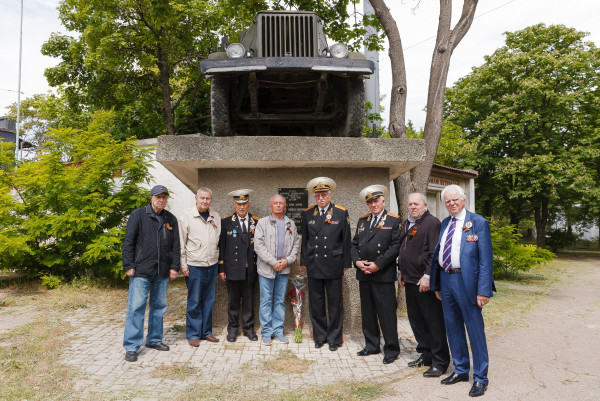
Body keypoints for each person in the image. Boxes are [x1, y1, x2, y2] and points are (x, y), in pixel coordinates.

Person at [430, 184, 495, 397]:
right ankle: (460, 370)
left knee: (475, 331)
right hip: (447, 281)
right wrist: (438, 284)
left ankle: (480, 378)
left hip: (468, 284)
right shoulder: (445, 223)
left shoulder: (478, 223)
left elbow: (486, 260)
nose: (451, 203)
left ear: (463, 200)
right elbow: (439, 254)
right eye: (447, 201)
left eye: (455, 199)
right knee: (453, 328)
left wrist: (483, 291)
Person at [122, 185, 180, 362]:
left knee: (159, 306)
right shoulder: (138, 215)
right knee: (136, 307)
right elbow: (128, 242)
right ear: (151, 198)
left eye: (164, 197)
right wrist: (129, 265)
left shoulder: (171, 219)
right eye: (158, 196)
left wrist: (174, 267)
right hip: (141, 270)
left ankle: (154, 340)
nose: (161, 200)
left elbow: (176, 246)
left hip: (162, 270)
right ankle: (132, 346)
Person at [398, 193, 450, 376]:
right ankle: (426, 354)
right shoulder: (408, 223)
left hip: (424, 281)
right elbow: (403, 249)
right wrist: (400, 271)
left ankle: (440, 361)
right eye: (410, 203)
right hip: (410, 279)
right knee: (416, 320)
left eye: (416, 204)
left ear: (425, 205)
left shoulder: (432, 223)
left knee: (433, 322)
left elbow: (434, 253)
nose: (413, 207)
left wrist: (428, 276)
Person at [351, 185, 402, 364]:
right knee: (368, 312)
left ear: (383, 201)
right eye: (370, 202)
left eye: (376, 201)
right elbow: (354, 244)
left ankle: (391, 349)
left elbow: (395, 247)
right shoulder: (363, 221)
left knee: (386, 313)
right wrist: (357, 262)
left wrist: (377, 265)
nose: (373, 204)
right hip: (364, 274)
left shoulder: (393, 221)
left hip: (383, 275)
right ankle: (372, 345)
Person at [300, 177, 351, 351]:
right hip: (314, 265)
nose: (321, 198)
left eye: (324, 195)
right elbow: (305, 240)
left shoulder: (340, 212)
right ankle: (319, 337)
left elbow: (346, 240)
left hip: (334, 265)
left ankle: (334, 339)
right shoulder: (307, 213)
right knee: (317, 304)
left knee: (335, 305)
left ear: (330, 195)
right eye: (317, 195)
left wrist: (346, 262)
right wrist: (304, 261)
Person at [254, 194, 300, 345]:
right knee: (266, 301)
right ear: (271, 206)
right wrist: (273, 262)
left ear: (285, 206)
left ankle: (278, 331)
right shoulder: (262, 223)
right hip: (266, 269)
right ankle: (267, 332)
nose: (278, 205)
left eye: (281, 203)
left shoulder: (290, 224)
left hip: (284, 270)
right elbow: (258, 246)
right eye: (276, 203)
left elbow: (295, 246)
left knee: (280, 301)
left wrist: (287, 261)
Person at [178, 187, 221, 346]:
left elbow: (218, 241)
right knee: (194, 300)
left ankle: (206, 332)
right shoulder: (186, 217)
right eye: (202, 198)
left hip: (212, 264)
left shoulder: (215, 216)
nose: (204, 201)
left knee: (209, 300)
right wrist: (183, 265)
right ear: (196, 199)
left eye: (207, 199)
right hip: (194, 265)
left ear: (211, 200)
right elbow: (181, 243)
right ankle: (193, 334)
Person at [218, 189, 260, 342]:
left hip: (250, 269)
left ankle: (248, 329)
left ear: (248, 204)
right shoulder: (226, 222)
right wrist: (221, 269)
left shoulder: (257, 221)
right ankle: (233, 329)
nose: (241, 207)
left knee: (249, 301)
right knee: (233, 302)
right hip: (232, 269)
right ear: (234, 205)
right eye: (238, 204)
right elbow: (221, 248)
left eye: (244, 203)